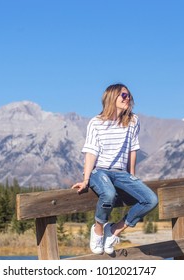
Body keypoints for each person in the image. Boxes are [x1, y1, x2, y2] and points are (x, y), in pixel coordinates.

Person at [71, 83, 158, 255]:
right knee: (108, 194)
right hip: (99, 171)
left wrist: (132, 175)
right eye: (124, 96)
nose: (128, 98)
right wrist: (86, 179)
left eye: (129, 95)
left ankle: (114, 231)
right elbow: (91, 152)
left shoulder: (133, 121)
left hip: (121, 173)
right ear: (112, 98)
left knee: (150, 200)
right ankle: (98, 230)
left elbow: (133, 149)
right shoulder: (96, 123)